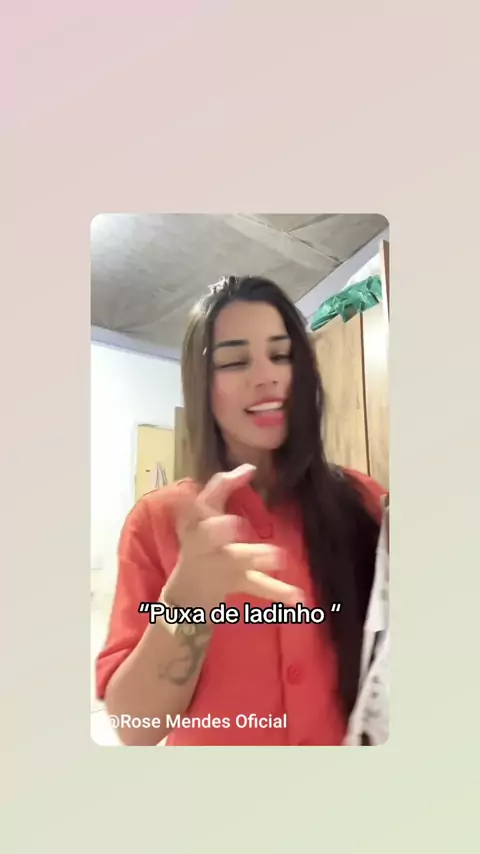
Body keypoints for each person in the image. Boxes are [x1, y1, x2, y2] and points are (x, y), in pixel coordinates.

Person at [96, 275, 386, 746]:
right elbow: (135, 727)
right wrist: (189, 601)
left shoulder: (364, 500)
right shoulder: (157, 521)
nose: (266, 376)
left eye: (282, 355)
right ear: (201, 386)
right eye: (234, 361)